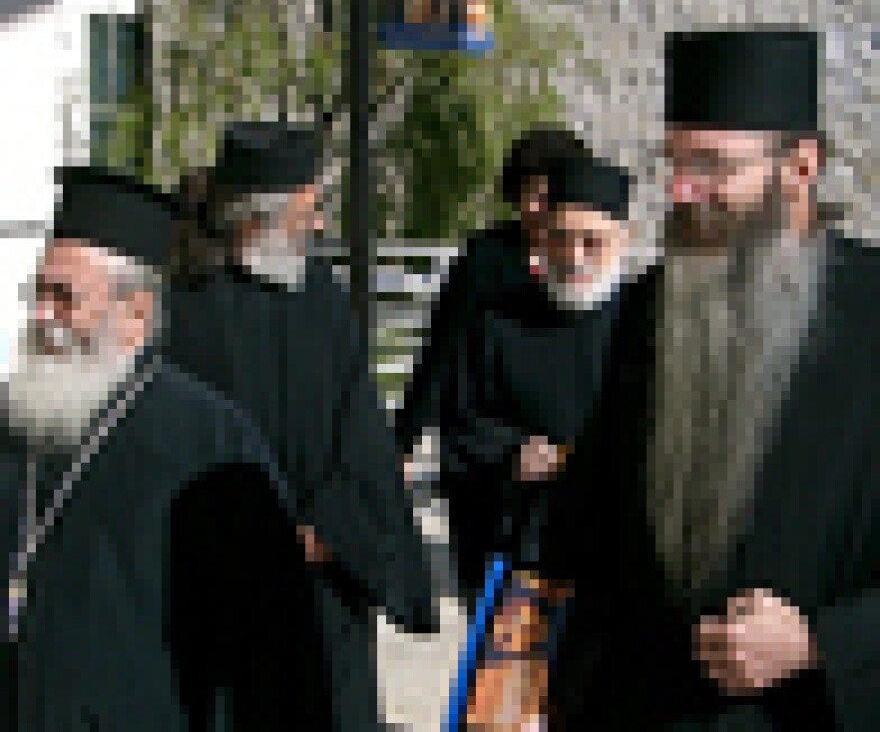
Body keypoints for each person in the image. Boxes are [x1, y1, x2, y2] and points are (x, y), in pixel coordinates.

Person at [550, 28, 880, 730]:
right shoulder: (650, 307)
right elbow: (597, 536)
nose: (681, 190)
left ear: (800, 167)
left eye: (712, 165)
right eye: (673, 161)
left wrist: (822, 644)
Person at [0, 166, 329, 730]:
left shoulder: (212, 445)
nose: (41, 316)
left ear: (136, 315)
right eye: (39, 293)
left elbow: (274, 657)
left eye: (64, 298)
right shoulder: (12, 420)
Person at [164, 121, 437, 731]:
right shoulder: (181, 308)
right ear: (254, 219)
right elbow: (171, 452)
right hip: (223, 595)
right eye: (307, 210)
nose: (317, 226)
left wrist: (326, 532)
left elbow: (361, 436)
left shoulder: (321, 294)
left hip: (322, 589)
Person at [443, 149, 633, 727]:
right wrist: (511, 453)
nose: (573, 256)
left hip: (620, 563)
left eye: (590, 242)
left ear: (621, 239)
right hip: (524, 556)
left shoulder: (646, 326)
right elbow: (460, 425)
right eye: (560, 239)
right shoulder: (497, 325)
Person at [396, 125, 587, 599]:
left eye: (543, 196)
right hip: (485, 450)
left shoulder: (589, 266)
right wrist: (404, 440)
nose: (531, 209)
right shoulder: (486, 258)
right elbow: (441, 351)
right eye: (525, 194)